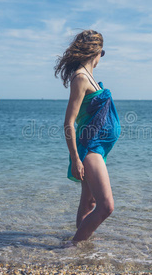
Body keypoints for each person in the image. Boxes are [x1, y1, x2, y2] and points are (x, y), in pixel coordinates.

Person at [54, 29, 121, 246]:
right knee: (106, 206)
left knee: (89, 204)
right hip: (90, 148)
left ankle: (83, 244)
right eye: (102, 52)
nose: (102, 57)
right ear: (97, 51)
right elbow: (69, 123)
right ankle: (73, 246)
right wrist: (75, 158)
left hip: (98, 147)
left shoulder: (88, 75)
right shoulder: (81, 78)